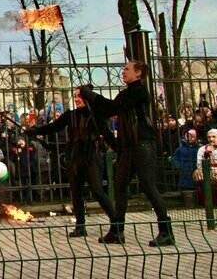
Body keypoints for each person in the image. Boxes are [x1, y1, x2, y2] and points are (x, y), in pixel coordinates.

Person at [79, 60, 174, 246]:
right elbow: (107, 110)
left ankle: (166, 231)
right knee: (120, 186)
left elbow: (113, 108)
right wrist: (90, 98)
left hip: (142, 144)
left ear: (138, 73)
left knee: (148, 186)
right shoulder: (125, 93)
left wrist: (93, 96)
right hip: (127, 147)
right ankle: (116, 230)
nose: (123, 72)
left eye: (127, 69)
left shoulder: (139, 92)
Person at [25, 85, 116, 238]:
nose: (77, 99)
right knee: (76, 192)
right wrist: (35, 131)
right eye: (75, 96)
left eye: (80, 96)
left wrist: (117, 149)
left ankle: (116, 225)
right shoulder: (70, 115)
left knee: (98, 191)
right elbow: (54, 126)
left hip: (91, 155)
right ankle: (80, 226)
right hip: (74, 156)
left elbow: (106, 133)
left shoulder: (95, 114)